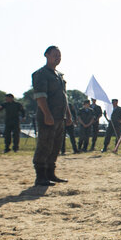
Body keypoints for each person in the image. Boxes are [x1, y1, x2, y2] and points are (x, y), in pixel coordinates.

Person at [31, 46, 72, 186]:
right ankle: (40, 176)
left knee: (55, 146)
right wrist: (47, 114)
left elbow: (64, 98)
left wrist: (68, 115)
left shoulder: (59, 76)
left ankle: (50, 173)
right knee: (44, 145)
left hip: (60, 117)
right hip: (48, 117)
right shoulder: (41, 74)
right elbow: (40, 96)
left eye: (59, 55)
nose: (58, 57)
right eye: (55, 54)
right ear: (46, 55)